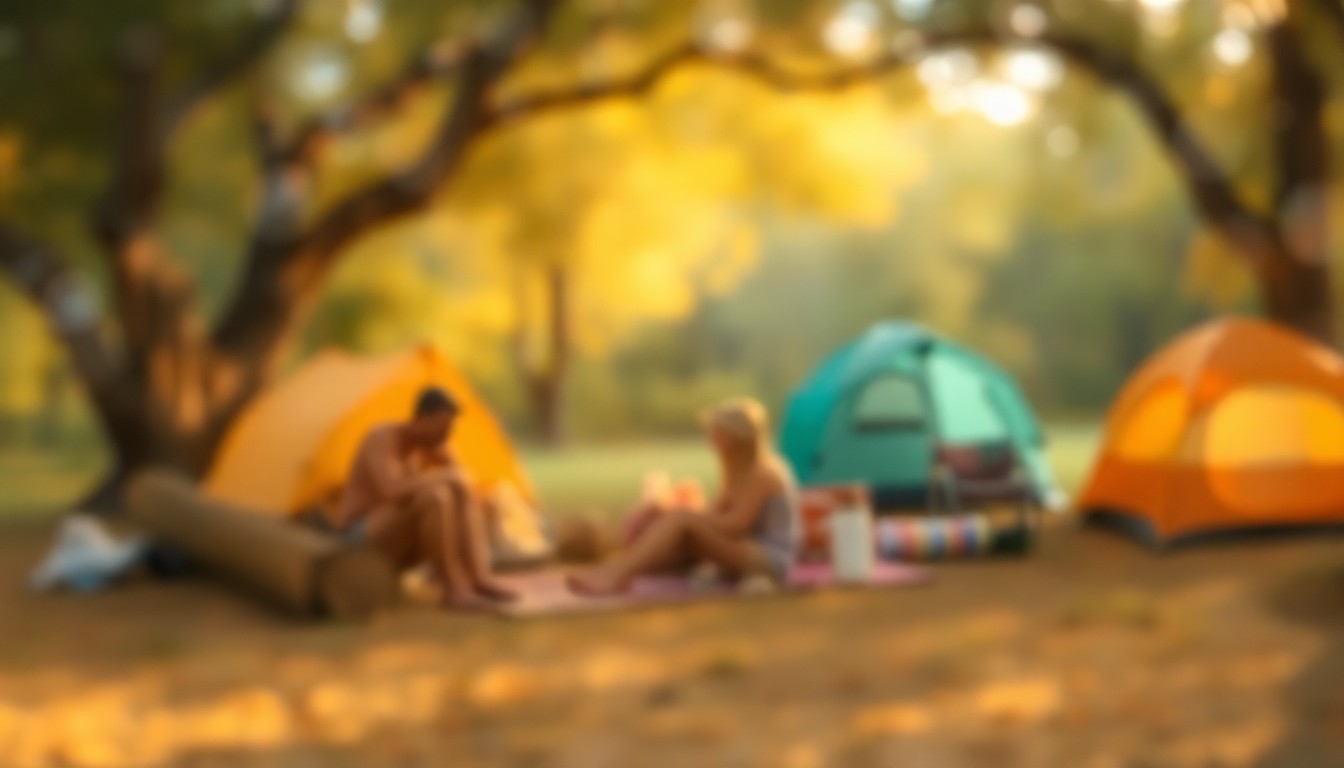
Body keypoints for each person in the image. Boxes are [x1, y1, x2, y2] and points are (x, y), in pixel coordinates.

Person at [567, 397, 800, 596]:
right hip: (744, 547)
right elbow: (716, 515)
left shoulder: (763, 472)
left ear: (736, 437)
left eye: (718, 433)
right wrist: (672, 514)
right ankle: (617, 571)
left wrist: (685, 517)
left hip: (768, 558)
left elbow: (735, 525)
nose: (712, 440)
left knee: (681, 521)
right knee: (677, 528)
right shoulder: (734, 470)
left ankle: (618, 575)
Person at [337, 387, 516, 606]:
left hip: (398, 540)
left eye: (449, 432)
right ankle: (453, 589)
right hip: (360, 538)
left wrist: (453, 474)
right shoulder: (382, 438)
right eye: (441, 430)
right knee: (435, 496)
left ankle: (480, 578)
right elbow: (391, 490)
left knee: (458, 490)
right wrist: (444, 475)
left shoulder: (432, 445)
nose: (445, 438)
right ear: (422, 419)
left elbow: (462, 483)